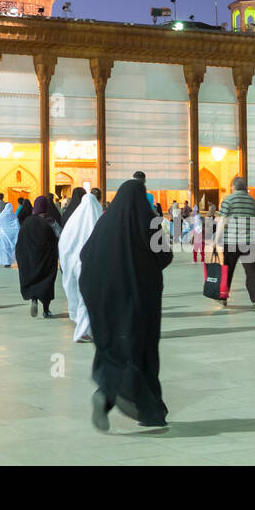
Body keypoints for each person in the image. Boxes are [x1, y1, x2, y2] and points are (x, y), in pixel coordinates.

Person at [79, 179, 173, 431]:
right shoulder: (149, 221)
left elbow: (86, 254)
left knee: (115, 344)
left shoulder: (105, 221)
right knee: (139, 348)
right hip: (137, 296)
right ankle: (144, 408)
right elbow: (165, 255)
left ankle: (111, 394)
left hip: (100, 293)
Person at [60, 186, 103, 342]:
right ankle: (81, 332)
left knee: (80, 296)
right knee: (87, 297)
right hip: (88, 264)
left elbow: (63, 244)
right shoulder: (96, 218)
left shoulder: (73, 222)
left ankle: (83, 326)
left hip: (72, 264)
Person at [215, 176, 255, 310]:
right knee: (251, 272)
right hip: (247, 241)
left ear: (233, 187)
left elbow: (222, 220)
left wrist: (215, 239)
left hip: (231, 241)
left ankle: (223, 298)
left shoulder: (228, 200)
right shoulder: (252, 201)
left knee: (227, 270)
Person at [16, 196, 61, 318]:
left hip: (31, 259)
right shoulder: (51, 222)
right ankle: (46, 310)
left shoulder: (27, 222)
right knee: (47, 282)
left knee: (34, 280)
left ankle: (34, 300)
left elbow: (20, 242)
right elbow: (60, 236)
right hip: (47, 259)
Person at [0, 200, 18, 267]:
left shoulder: (2, 215)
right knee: (10, 249)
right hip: (11, 235)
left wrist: (3, 229)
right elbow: (17, 224)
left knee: (5, 248)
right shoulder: (14, 215)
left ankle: (6, 262)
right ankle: (9, 262)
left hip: (3, 235)